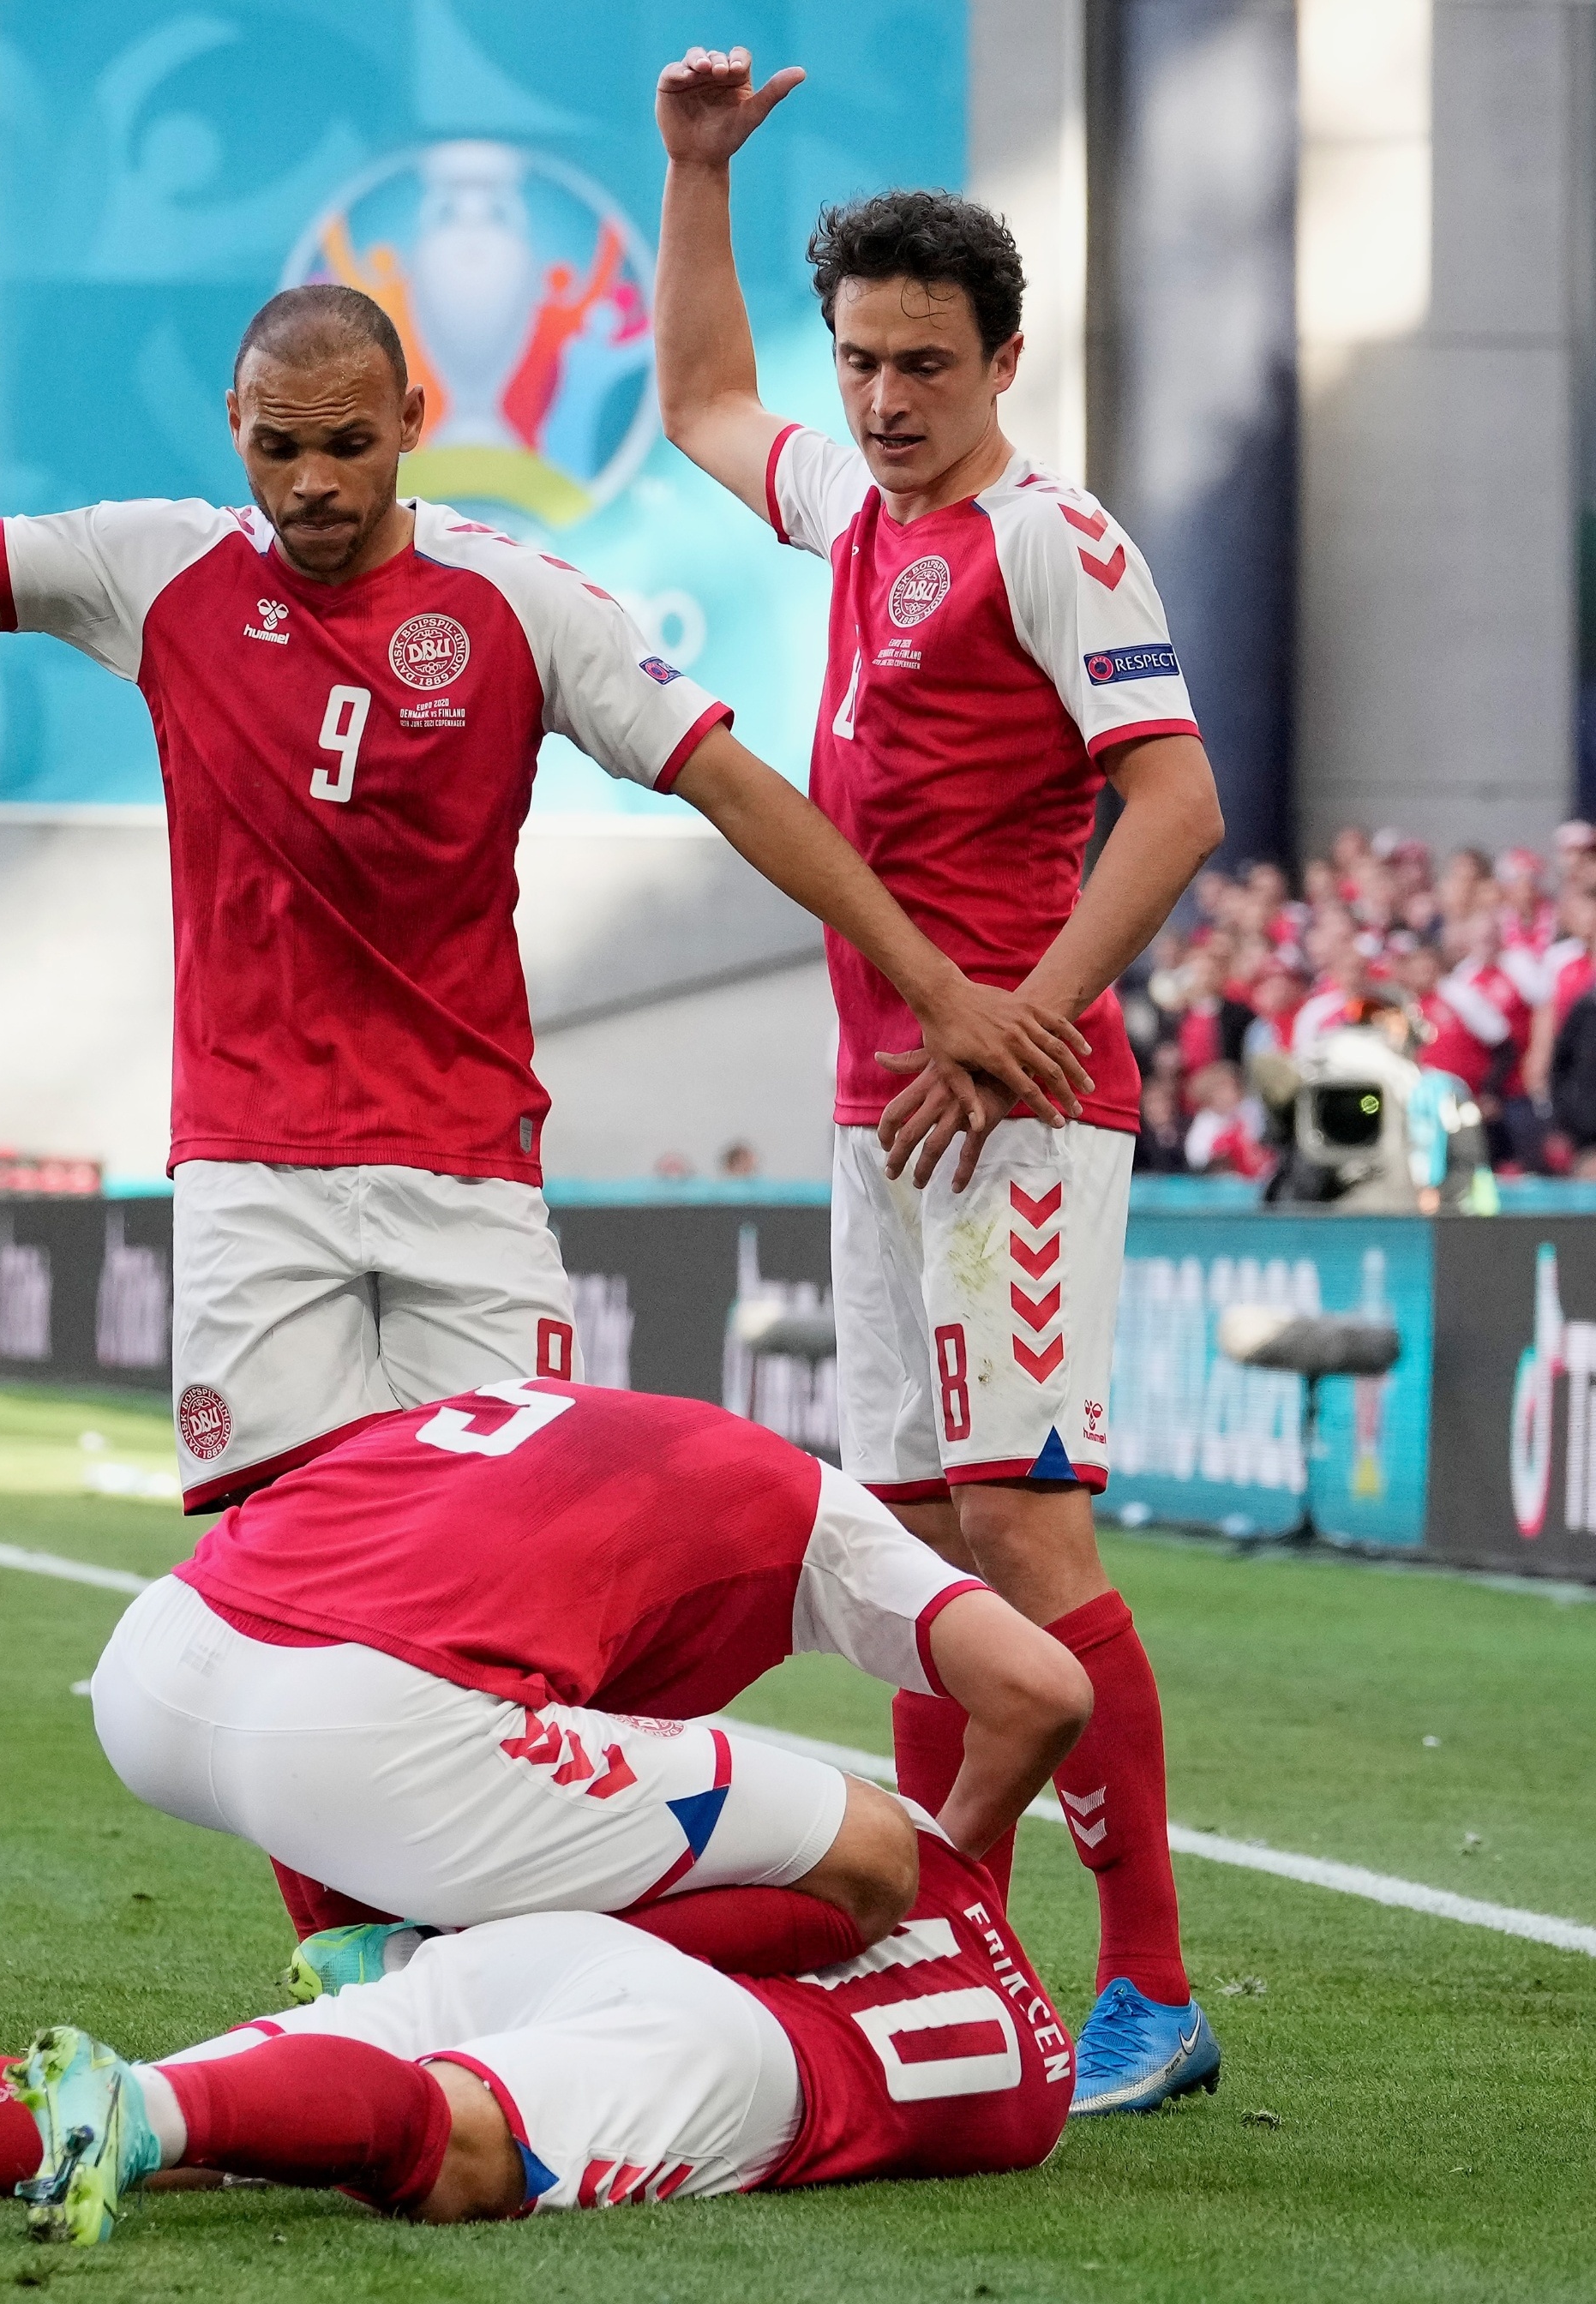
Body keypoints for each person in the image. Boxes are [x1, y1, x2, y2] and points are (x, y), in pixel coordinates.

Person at [0, 163, 1089, 1515]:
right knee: (275, 1567)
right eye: (278, 448)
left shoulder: (520, 602)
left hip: (468, 1165)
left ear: (415, 421)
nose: (312, 484)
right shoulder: (158, 569)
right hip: (251, 1165)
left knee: (504, 1550)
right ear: (233, 426)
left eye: (350, 446)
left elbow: (740, 788)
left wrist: (938, 986)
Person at [651, 45, 1230, 2111]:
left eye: (924, 366)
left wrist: (1029, 1014)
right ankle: (959, 1962)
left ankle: (1150, 1990)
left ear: (999, 363)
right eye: (865, 363)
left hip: (1021, 1111)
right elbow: (708, 407)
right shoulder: (853, 511)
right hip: (874, 1107)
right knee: (901, 1551)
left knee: (1026, 1545)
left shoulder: (1054, 541)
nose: (883, 402)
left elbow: (1173, 799)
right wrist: (694, 176)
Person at [0, 1826, 1068, 2235]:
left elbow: (687, 1903)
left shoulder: (890, 1845)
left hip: (570, 1954)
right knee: (444, 2146)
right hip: (751, 2072)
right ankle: (135, 2121)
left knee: (239, 2089)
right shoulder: (1035, 2085)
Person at [90, 1375, 1088, 1985]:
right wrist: (943, 1864)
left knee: (441, 1725)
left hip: (152, 1665)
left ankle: (363, 1980)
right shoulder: (825, 1519)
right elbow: (1044, 1690)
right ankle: (433, 1989)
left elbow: (330, 1637)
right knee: (871, 1852)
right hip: (361, 1731)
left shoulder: (545, 1418)